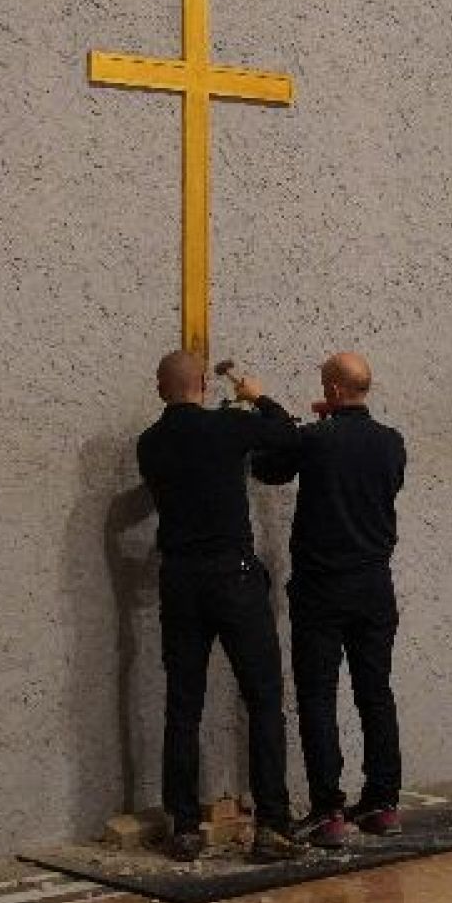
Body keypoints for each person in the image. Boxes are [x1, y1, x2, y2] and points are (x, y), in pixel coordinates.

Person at [137, 348, 306, 862]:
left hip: (180, 580)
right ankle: (272, 825)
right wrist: (257, 397)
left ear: (161, 386)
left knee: (183, 705)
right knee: (262, 699)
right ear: (205, 387)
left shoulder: (149, 442)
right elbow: (288, 437)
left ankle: (185, 826)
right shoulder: (231, 426)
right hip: (232, 575)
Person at [253, 350, 406, 848]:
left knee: (318, 696)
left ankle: (327, 810)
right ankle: (383, 803)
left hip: (323, 589)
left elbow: (270, 470)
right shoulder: (391, 443)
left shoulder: (314, 440)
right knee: (375, 692)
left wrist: (276, 416)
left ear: (334, 391)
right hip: (375, 586)